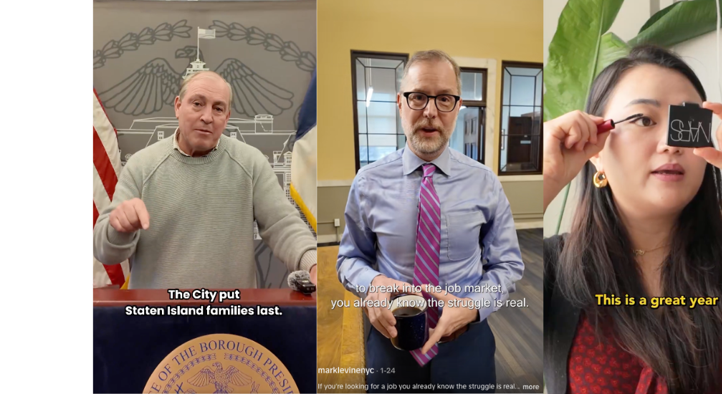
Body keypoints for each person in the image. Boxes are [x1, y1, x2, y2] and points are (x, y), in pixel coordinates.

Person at [542, 46, 722, 394]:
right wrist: (545, 178)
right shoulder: (553, 269)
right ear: (596, 149)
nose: (671, 144)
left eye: (688, 123)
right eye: (644, 120)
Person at [337, 50, 524, 393]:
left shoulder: (484, 182)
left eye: (444, 99)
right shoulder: (368, 183)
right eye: (419, 96)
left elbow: (508, 263)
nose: (430, 111)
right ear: (400, 103)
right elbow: (349, 258)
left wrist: (472, 307)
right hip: (392, 344)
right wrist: (372, 284)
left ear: (458, 106)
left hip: (467, 345)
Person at [93, 71, 318, 289]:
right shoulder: (141, 165)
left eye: (218, 108)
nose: (207, 117)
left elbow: (282, 225)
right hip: (156, 311)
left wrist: (313, 264)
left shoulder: (251, 163)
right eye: (197, 104)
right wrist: (119, 227)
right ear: (178, 106)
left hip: (230, 311)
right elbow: (105, 253)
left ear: (226, 117)